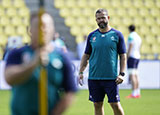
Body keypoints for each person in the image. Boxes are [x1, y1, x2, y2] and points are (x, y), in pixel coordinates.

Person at [4, 12, 77, 115]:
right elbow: (9, 78)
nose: (43, 29)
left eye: (47, 26)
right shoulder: (17, 54)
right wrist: (33, 63)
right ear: (29, 30)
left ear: (53, 30)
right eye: (38, 26)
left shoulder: (62, 58)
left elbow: (70, 92)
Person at [78, 8, 127, 115]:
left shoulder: (117, 35)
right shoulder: (92, 36)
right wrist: (81, 72)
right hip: (94, 78)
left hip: (111, 78)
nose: (101, 20)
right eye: (98, 18)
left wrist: (122, 74)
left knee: (115, 104)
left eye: (103, 18)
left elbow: (123, 56)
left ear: (108, 18)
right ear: (96, 20)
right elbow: (86, 55)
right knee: (97, 104)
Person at [126, 25, 142, 99]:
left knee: (132, 75)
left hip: (132, 56)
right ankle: (137, 92)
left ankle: (134, 93)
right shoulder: (138, 37)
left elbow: (130, 46)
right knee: (136, 75)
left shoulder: (131, 36)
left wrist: (127, 56)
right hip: (137, 56)